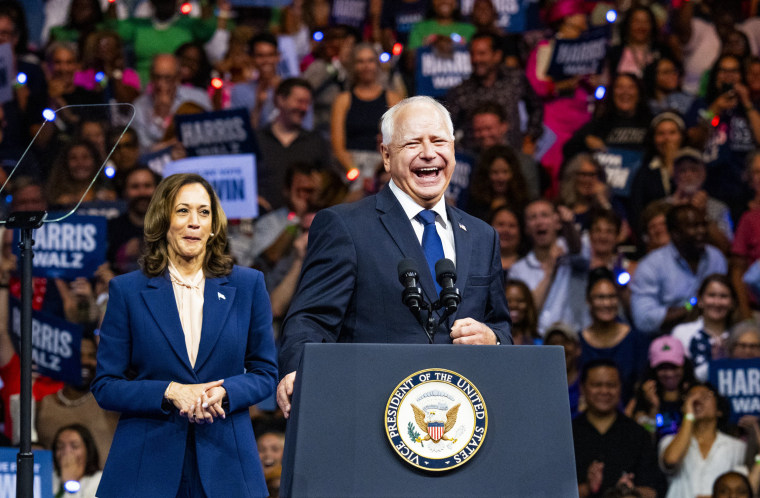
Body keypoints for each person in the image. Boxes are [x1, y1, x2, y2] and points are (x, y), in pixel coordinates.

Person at [276, 96, 512, 417]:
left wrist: (494, 340)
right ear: (386, 155)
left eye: (438, 141)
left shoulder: (483, 236)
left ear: (453, 149)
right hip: (369, 413)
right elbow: (311, 319)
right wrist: (297, 370)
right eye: (413, 143)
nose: (429, 153)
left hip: (461, 422)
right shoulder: (345, 227)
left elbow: (499, 324)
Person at [91, 173, 278, 497]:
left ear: (214, 225)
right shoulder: (128, 290)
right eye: (182, 211)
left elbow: (265, 374)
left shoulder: (247, 285)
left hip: (227, 463)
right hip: (147, 465)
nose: (194, 222)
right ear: (163, 220)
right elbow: (106, 386)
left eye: (203, 212)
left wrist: (227, 392)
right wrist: (170, 391)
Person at [630, 204, 728, 335]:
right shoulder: (652, 265)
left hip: (713, 334)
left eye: (703, 225)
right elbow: (644, 319)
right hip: (666, 341)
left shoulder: (715, 257)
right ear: (675, 233)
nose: (702, 231)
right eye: (694, 227)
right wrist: (691, 307)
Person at [573, 359, 662, 498]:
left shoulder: (638, 434)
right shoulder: (568, 435)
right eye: (597, 385)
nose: (604, 391)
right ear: (582, 388)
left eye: (611, 385)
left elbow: (653, 490)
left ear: (620, 387)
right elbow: (551, 492)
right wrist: (587, 488)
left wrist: (629, 491)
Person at [659, 383, 746, 498]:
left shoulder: (737, 446)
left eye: (705, 396)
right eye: (691, 397)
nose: (697, 401)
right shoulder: (668, 441)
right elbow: (671, 460)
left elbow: (743, 489)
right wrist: (689, 414)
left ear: (719, 410)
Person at [330, 43, 401, 183]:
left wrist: (377, 173)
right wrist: (355, 172)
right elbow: (338, 146)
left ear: (377, 65)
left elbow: (398, 141)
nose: (366, 66)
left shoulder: (393, 99)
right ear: (353, 66)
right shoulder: (343, 100)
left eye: (370, 61)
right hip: (350, 167)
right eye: (360, 62)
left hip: (383, 166)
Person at [579, 268, 648, 404]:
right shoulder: (578, 342)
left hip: (627, 417)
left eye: (612, 297)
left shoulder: (636, 340)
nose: (607, 303)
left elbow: (641, 385)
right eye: (600, 297)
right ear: (588, 300)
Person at [626, 335, 696, 441]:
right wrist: (654, 408)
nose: (669, 373)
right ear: (652, 370)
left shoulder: (695, 394)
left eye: (674, 366)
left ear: (684, 366)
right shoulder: (643, 400)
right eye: (662, 368)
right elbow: (647, 440)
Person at [671, 274, 736, 381]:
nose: (717, 302)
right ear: (700, 300)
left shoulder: (741, 335)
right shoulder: (681, 333)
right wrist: (715, 365)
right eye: (711, 295)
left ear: (732, 302)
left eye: (723, 296)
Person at [52, 424, 102, 498]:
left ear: (88, 450)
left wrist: (70, 483)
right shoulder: (50, 477)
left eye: (75, 446)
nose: (66, 452)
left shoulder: (100, 480)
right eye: (60, 446)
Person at [505, 279, 539, 345]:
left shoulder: (538, 342)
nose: (514, 305)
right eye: (508, 301)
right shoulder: (491, 340)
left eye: (520, 301)